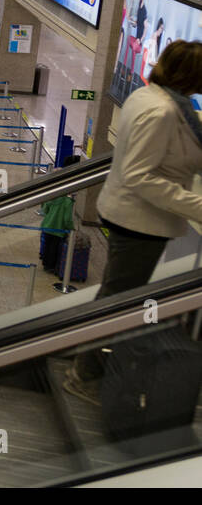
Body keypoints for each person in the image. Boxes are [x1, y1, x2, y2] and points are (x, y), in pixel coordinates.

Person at [65, 41, 202, 404]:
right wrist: (195, 205)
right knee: (117, 297)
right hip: (139, 221)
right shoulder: (162, 111)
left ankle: (87, 361)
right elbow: (140, 175)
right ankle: (84, 372)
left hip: (136, 217)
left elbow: (181, 151)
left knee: (117, 292)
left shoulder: (158, 99)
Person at [39, 155, 81, 273]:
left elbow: (45, 209)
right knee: (54, 247)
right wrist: (70, 229)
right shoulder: (68, 201)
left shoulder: (52, 196)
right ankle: (51, 266)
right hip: (58, 229)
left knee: (47, 245)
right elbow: (67, 218)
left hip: (47, 225)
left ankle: (45, 262)